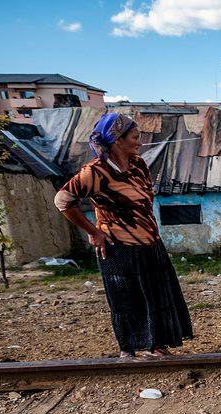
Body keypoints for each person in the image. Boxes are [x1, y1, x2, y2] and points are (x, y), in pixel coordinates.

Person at [54, 112, 192, 359]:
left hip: (149, 242)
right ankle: (132, 350)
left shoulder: (137, 164)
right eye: (135, 137)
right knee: (128, 300)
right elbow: (63, 200)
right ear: (117, 140)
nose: (139, 142)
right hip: (119, 245)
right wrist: (93, 231)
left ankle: (156, 346)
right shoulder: (95, 172)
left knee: (156, 295)